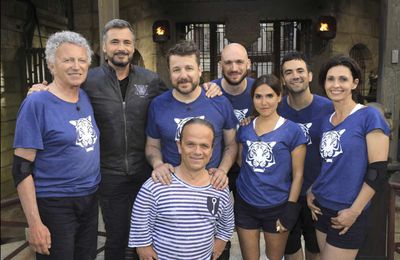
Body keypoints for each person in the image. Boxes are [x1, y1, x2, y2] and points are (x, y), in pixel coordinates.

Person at [29, 19, 220, 260]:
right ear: (104, 47)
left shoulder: (150, 80)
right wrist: (42, 89)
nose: (122, 47)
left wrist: (212, 87)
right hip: (110, 175)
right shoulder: (90, 80)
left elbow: (179, 97)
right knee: (118, 237)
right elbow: (64, 90)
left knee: (150, 235)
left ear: (133, 46)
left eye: (127, 42)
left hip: (146, 171)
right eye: (115, 42)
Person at [12, 31, 100, 259]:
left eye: (82, 60)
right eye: (68, 60)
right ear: (51, 64)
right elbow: (20, 169)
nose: (76, 66)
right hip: (55, 204)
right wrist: (35, 224)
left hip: (89, 200)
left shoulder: (84, 96)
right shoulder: (36, 103)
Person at [307, 55, 390, 260]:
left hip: (348, 211)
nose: (336, 85)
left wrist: (354, 211)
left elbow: (377, 171)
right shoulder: (325, 121)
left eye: (343, 79)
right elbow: (328, 164)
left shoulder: (369, 116)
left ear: (354, 83)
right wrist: (311, 189)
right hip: (321, 207)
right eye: (330, 79)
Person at [129, 118, 235, 260]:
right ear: (179, 146)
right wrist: (142, 246)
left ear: (211, 151)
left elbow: (226, 222)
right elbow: (140, 220)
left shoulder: (219, 188)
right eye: (190, 144)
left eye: (204, 146)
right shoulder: (157, 185)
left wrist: (221, 241)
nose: (197, 151)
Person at [145, 40, 238, 190]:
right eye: (176, 70)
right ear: (169, 72)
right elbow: (152, 146)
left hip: (211, 186)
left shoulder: (220, 102)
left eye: (189, 68)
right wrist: (158, 164)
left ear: (200, 70)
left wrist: (222, 170)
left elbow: (231, 144)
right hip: (170, 187)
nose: (183, 76)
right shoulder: (158, 105)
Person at [235, 74, 307, 260]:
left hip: (277, 205)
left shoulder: (292, 130)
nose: (264, 102)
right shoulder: (245, 128)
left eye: (269, 96)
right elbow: (240, 161)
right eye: (258, 96)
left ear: (279, 97)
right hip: (246, 204)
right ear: (252, 99)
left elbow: (298, 174)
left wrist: (291, 208)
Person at [278, 51, 334, 260]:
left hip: (318, 194)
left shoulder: (329, 108)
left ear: (309, 75)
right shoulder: (275, 108)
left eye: (300, 70)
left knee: (315, 250)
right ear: (283, 79)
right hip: (285, 194)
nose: (295, 76)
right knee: (290, 250)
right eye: (289, 72)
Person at [211, 43, 254, 198]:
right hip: (216, 167)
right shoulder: (208, 92)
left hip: (249, 166)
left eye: (239, 62)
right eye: (228, 62)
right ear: (220, 65)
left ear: (248, 63)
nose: (234, 68)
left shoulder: (260, 92)